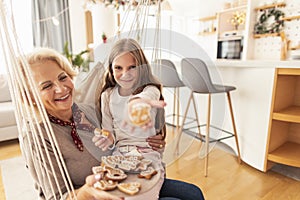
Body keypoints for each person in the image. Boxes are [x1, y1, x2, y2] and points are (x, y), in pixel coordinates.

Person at [93, 38, 205, 200]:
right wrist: (106, 137)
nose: (125, 74)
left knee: (142, 193)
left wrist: (137, 102)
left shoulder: (150, 90)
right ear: (110, 69)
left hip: (148, 155)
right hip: (121, 156)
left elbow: (147, 97)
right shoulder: (107, 96)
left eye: (132, 67)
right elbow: (109, 133)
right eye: (118, 68)